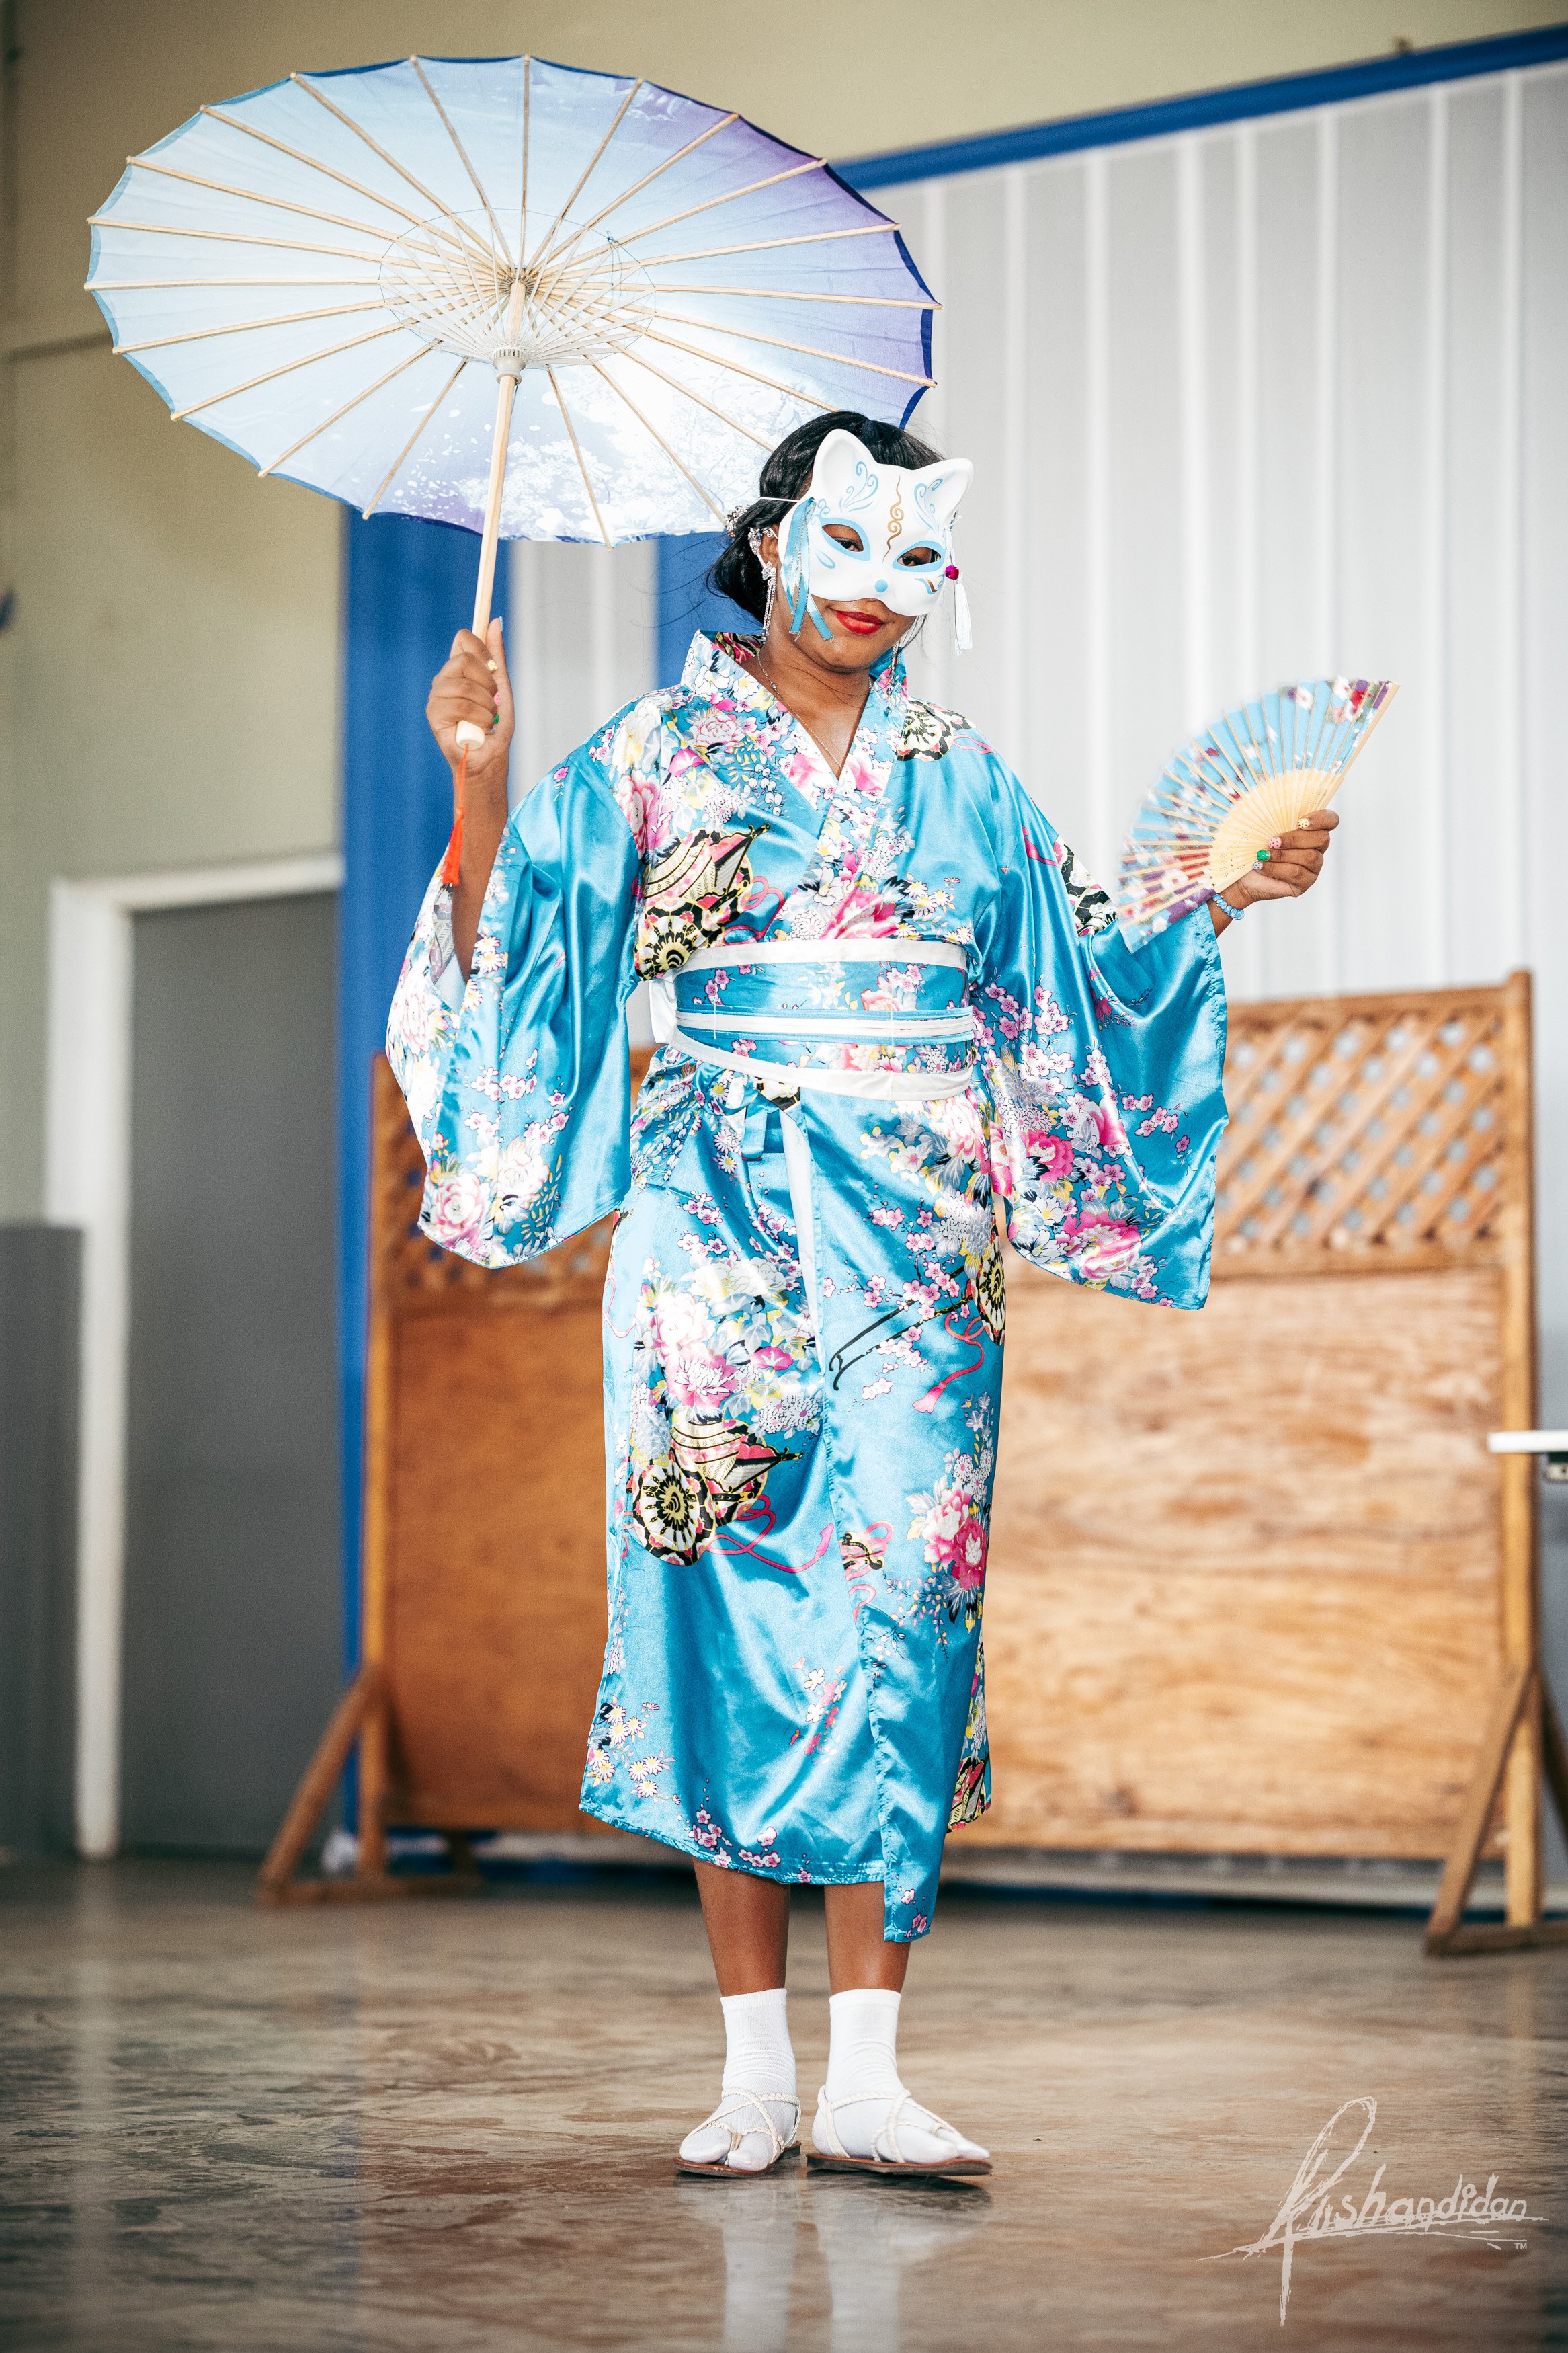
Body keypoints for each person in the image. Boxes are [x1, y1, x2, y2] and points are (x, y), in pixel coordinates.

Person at [388, 411, 1337, 2180]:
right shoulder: (655, 753)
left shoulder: (962, 771)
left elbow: (1081, 954)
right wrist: (480, 777)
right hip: (713, 1221)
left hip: (920, 1236)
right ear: (770, 542)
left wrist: (1221, 884)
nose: (878, 594)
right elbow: (529, 957)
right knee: (714, 1599)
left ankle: (874, 2069)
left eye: (917, 561)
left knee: (913, 1607)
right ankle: (753, 2065)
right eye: (845, 550)